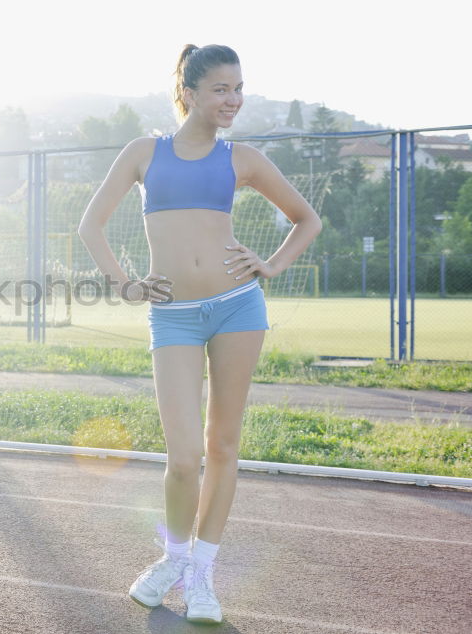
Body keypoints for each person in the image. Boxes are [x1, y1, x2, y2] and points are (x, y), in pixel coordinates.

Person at [77, 44, 321, 624]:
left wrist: (272, 265)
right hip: (174, 315)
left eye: (238, 88)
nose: (233, 100)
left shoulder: (243, 159)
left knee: (222, 447)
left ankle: (203, 579)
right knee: (184, 457)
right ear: (188, 91)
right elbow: (92, 224)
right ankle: (174, 561)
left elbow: (306, 219)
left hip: (239, 307)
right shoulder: (145, 153)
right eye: (220, 89)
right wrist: (126, 284)